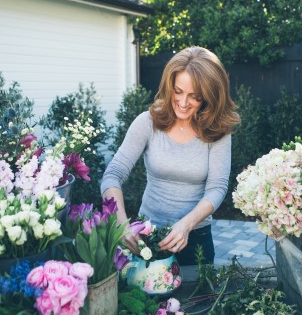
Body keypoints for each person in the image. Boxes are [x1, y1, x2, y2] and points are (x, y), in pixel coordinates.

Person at [100, 46, 240, 266]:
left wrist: (186, 225)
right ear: (169, 86)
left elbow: (217, 188)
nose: (183, 103)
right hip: (146, 237)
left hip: (195, 239)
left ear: (210, 96)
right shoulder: (147, 123)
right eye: (178, 91)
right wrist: (122, 225)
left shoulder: (217, 130)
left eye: (195, 96)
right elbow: (113, 175)